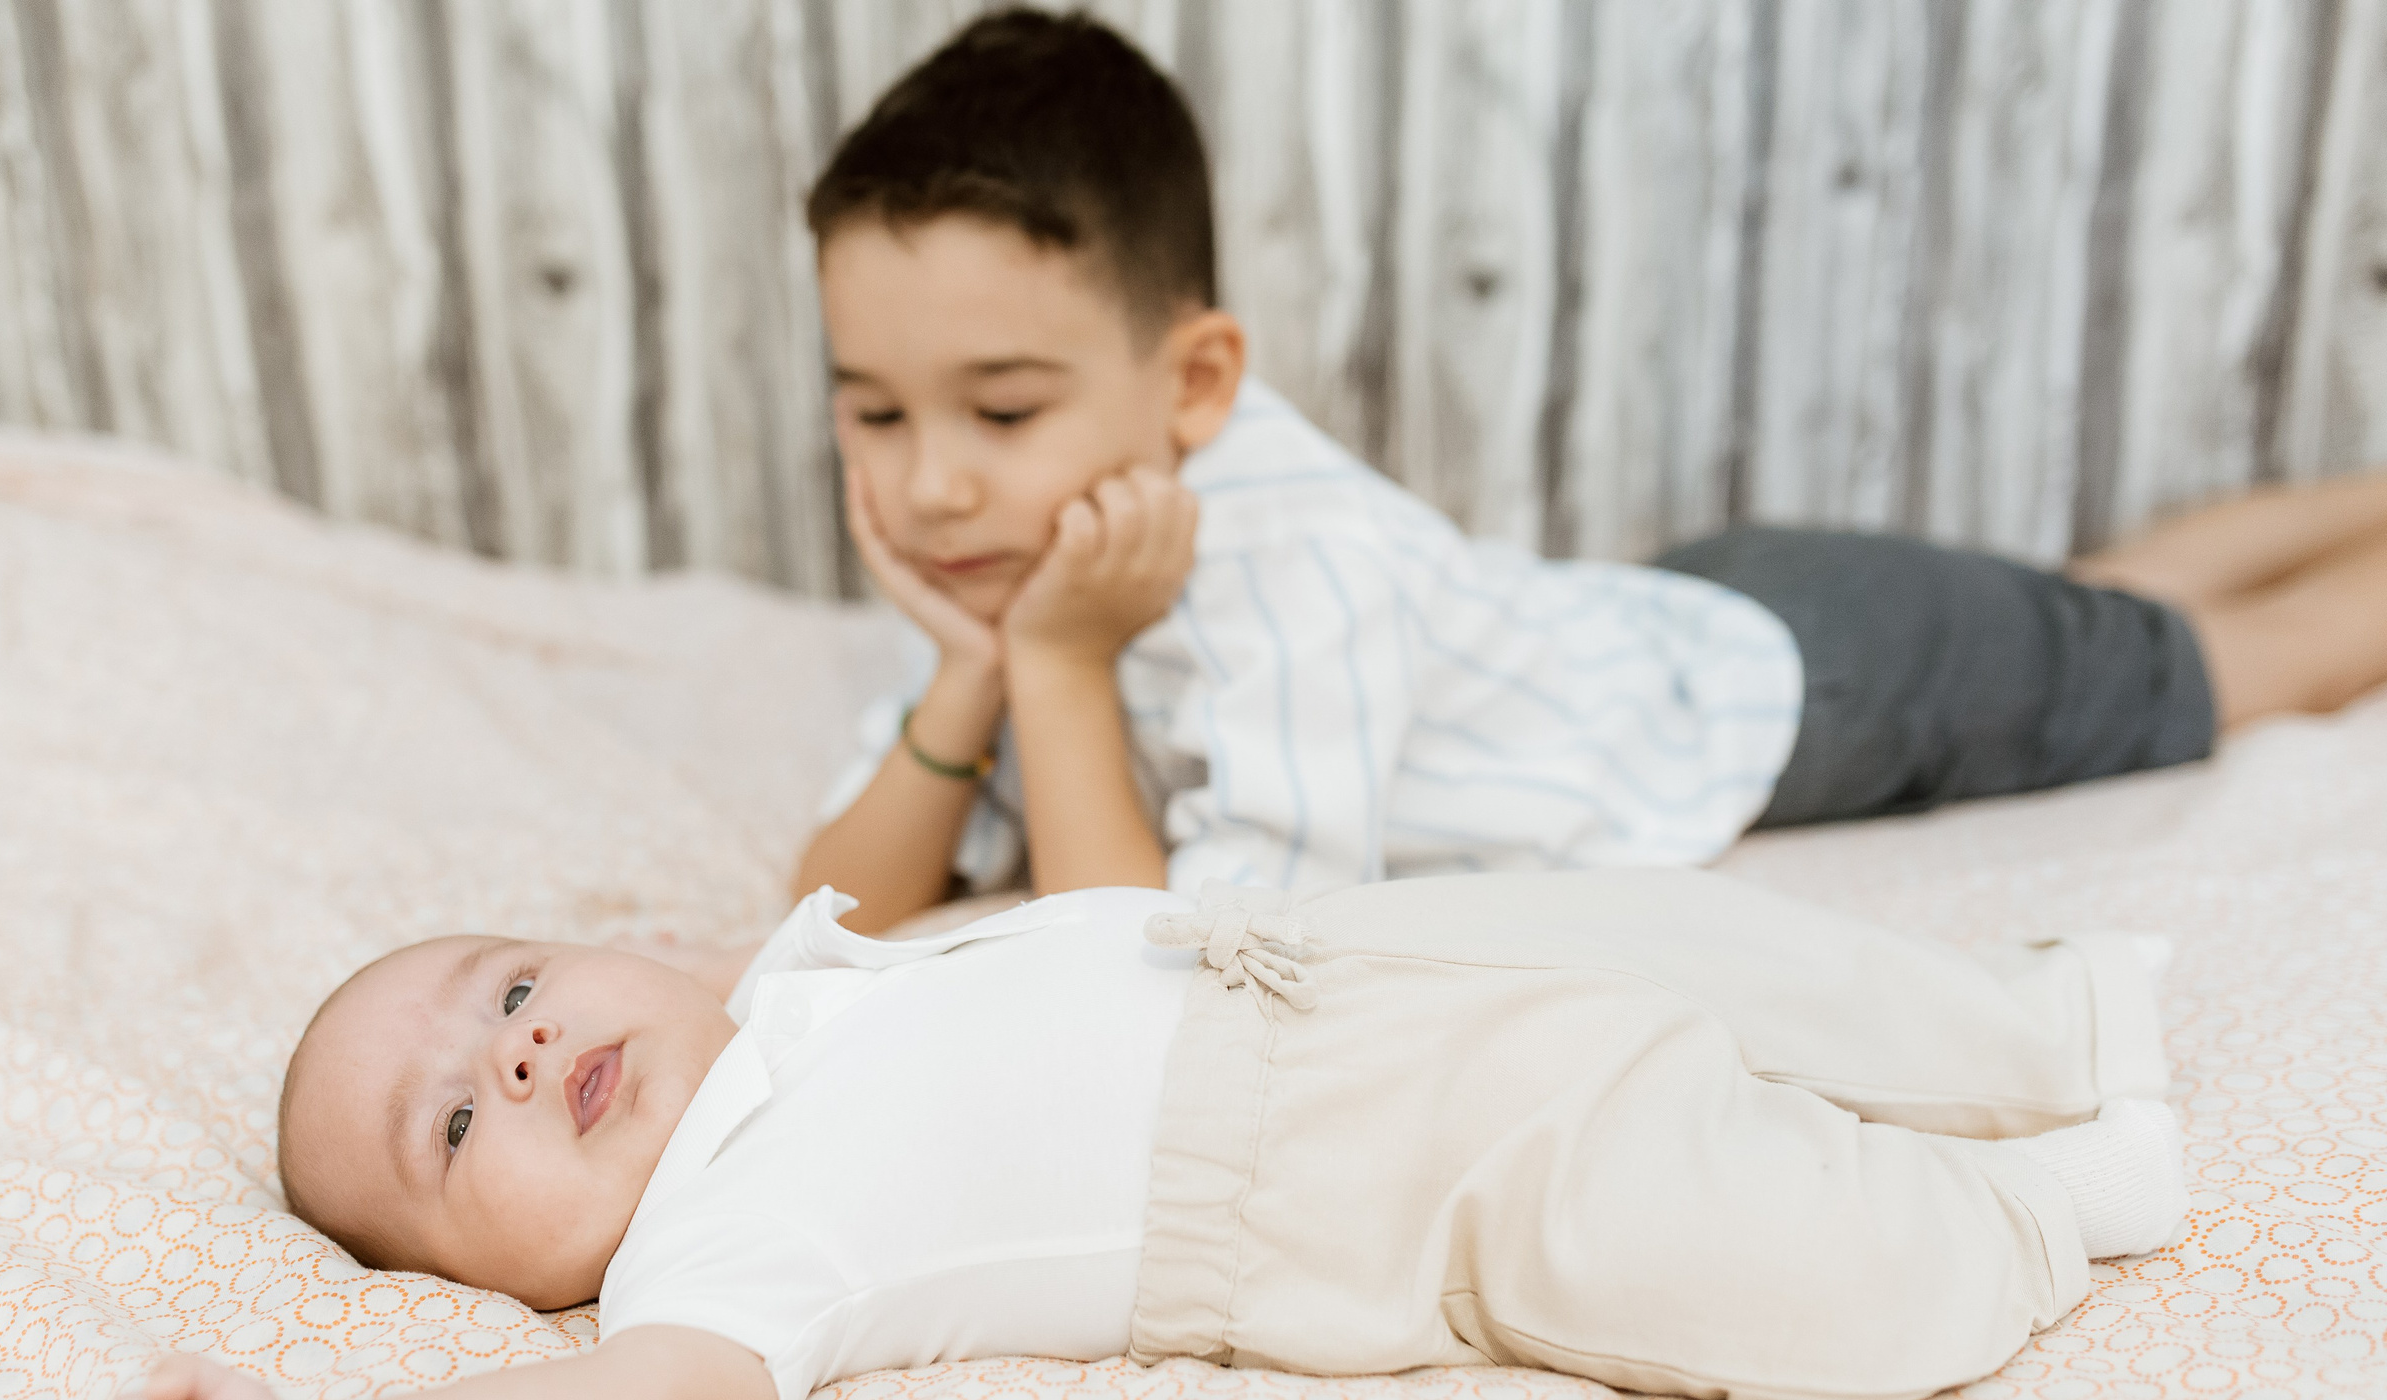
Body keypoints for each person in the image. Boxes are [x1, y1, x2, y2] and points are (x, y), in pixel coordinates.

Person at [792, 9, 2387, 937]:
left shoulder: (1298, 575)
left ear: (1196, 380)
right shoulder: (1025, 557)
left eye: (1001, 412)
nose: (932, 489)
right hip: (1675, 624)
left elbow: (1157, 982)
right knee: (2086, 614)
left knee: (2226, 665)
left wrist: (1056, 672)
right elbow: (833, 924)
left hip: (1825, 681)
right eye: (875, 413)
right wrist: (973, 674)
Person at [108, 869, 2186, 1400]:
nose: (522, 1046)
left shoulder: (804, 971)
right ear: (484, 1279)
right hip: (1360, 1180)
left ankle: (2054, 1026)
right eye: (454, 1132)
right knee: (1754, 1252)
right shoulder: (713, 1269)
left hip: (1330, 946)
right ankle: (2025, 1208)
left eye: (509, 984)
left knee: (1720, 949)